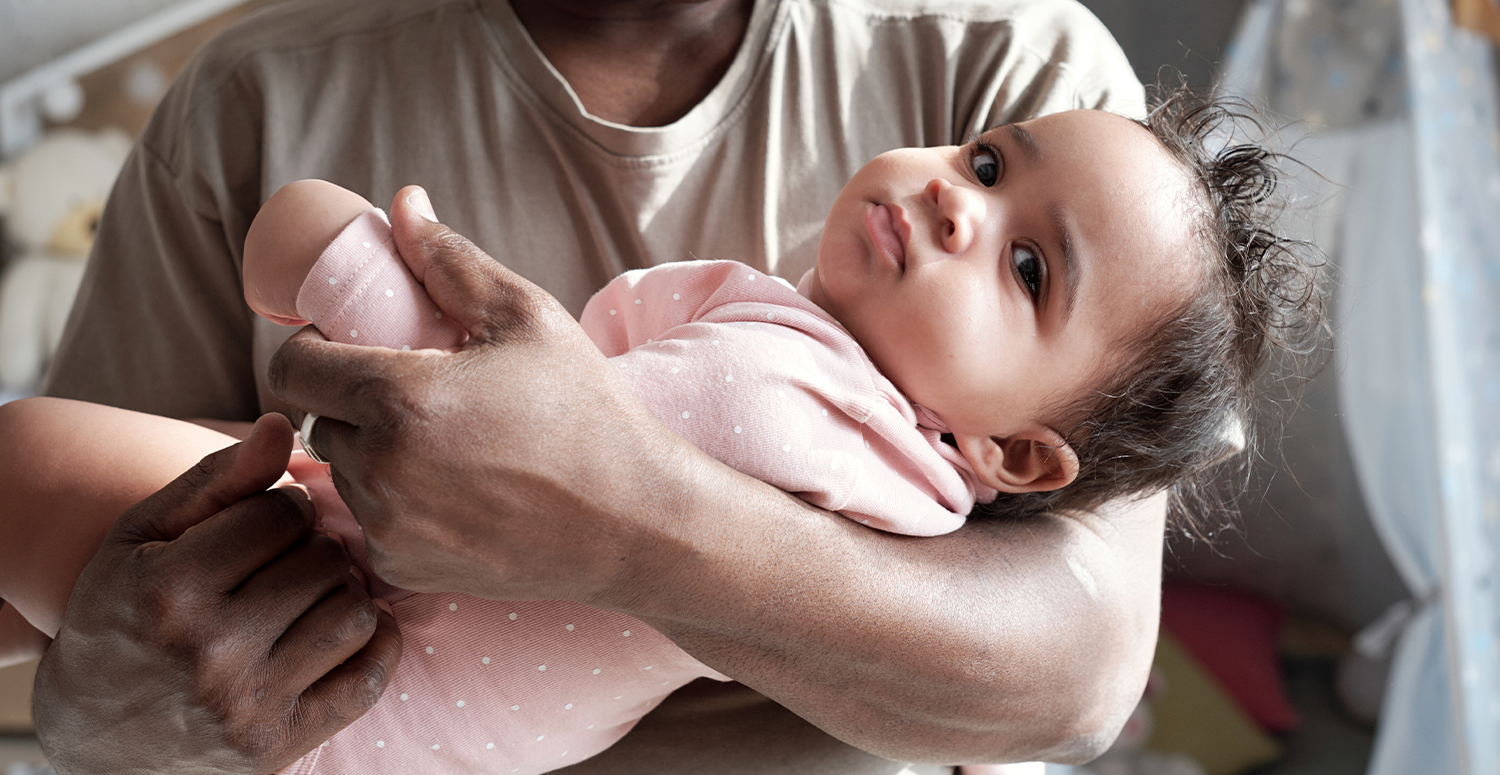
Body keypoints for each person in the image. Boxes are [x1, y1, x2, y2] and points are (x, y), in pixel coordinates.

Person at [6, 95, 1319, 773]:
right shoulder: (866, 443)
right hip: (341, 676)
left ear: (1019, 460)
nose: (961, 201)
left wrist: (334, 250)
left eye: (1029, 268)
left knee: (15, 466)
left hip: (340, 645)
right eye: (985, 162)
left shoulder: (791, 404)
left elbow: (483, 424)